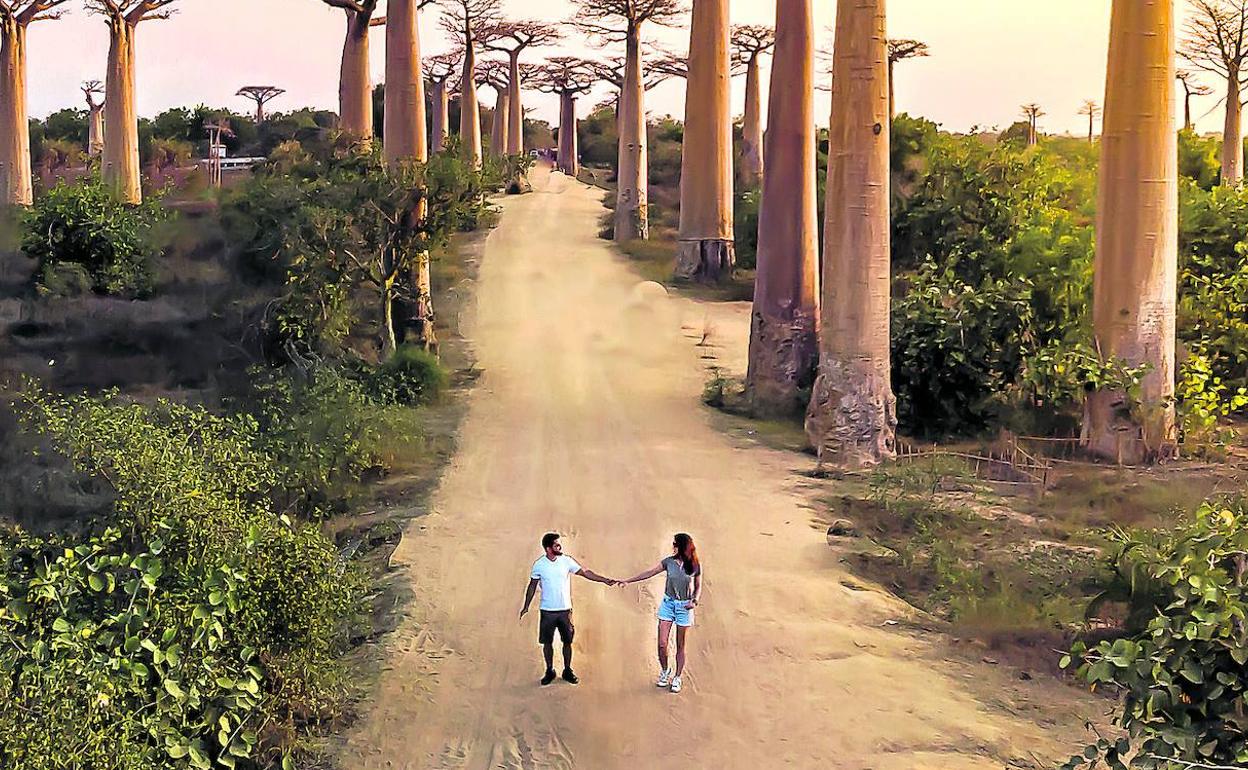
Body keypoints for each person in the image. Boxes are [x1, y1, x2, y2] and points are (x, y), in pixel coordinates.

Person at [519, 532, 618, 685]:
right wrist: (526, 606)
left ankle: (567, 670)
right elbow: (532, 586)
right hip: (547, 610)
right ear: (548, 548)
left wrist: (604, 580)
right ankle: (549, 670)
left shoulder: (566, 561)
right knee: (547, 643)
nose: (560, 547)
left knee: (567, 641)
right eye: (556, 545)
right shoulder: (539, 565)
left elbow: (585, 572)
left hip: (565, 610)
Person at [620, 533, 702, 694]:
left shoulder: (694, 565)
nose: (673, 546)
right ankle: (665, 671)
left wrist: (694, 601)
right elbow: (649, 572)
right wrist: (628, 581)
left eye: (675, 544)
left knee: (680, 645)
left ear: (682, 546)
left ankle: (677, 677)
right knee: (662, 643)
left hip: (684, 607)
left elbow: (698, 586)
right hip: (668, 604)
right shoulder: (668, 562)